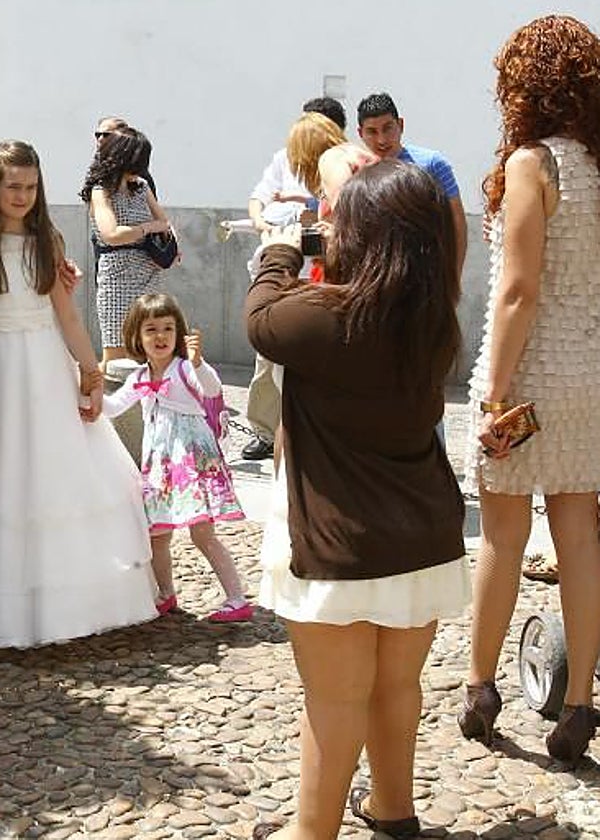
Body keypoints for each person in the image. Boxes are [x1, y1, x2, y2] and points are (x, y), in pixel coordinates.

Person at [246, 161, 467, 840]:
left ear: (366, 235)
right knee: (397, 687)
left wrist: (284, 244)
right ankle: (393, 810)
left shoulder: (323, 317)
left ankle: (310, 833)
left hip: (337, 542)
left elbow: (260, 317)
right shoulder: (434, 322)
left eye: (340, 215)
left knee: (334, 698)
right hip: (420, 534)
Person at [461, 15, 600, 767]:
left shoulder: (530, 164)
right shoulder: (599, 166)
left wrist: (493, 394)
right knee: (579, 538)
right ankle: (579, 706)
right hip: (592, 377)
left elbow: (517, 290)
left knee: (503, 540)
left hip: (530, 381)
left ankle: (481, 689)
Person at [0, 140, 157, 648]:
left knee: (56, 470)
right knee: (6, 474)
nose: (22, 195)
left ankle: (71, 600)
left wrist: (91, 373)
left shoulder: (48, 239)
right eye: (12, 186)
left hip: (45, 364)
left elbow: (66, 314)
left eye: (30, 186)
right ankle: (13, 604)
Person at [103, 293, 251, 620]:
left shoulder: (186, 368)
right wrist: (79, 386)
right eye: (151, 329)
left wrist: (198, 362)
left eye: (168, 329)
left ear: (179, 333)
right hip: (160, 469)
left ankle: (237, 598)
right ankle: (166, 594)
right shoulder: (139, 378)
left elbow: (211, 390)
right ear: (136, 337)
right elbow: (113, 407)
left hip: (192, 465)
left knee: (203, 533)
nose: (160, 336)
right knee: (157, 534)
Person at [242, 97, 348, 462]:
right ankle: (266, 432)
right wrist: (264, 223)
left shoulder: (346, 171)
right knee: (271, 364)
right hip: (286, 275)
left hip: (322, 286)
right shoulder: (284, 159)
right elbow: (258, 198)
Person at [81, 128, 175, 370]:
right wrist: (147, 228)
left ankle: (146, 404)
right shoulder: (101, 191)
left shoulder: (142, 187)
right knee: (116, 354)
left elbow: (165, 224)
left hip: (148, 271)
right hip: (117, 275)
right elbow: (111, 235)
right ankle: (107, 405)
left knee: (147, 348)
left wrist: (169, 245)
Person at [356, 92, 468, 276]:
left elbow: (456, 224)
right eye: (372, 132)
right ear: (361, 133)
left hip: (426, 279)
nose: (382, 140)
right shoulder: (357, 171)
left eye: (387, 128)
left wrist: (453, 277)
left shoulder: (432, 164)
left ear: (400, 125)